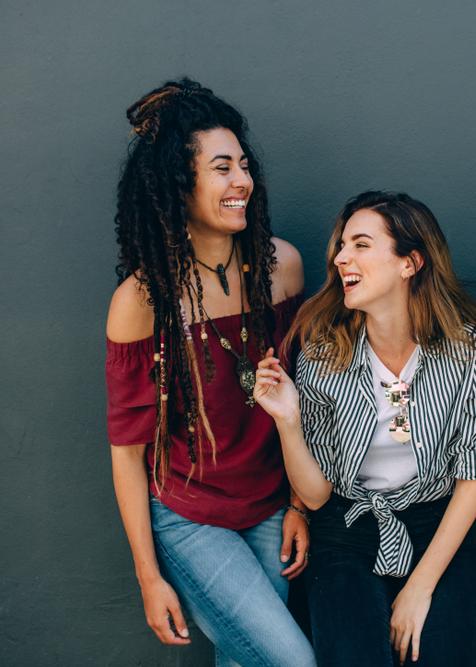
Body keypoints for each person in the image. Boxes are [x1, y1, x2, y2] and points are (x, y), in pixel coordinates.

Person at [105, 78, 315, 667]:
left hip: (271, 504)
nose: (242, 181)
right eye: (222, 168)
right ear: (179, 184)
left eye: (244, 165)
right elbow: (127, 453)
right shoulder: (142, 300)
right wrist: (149, 576)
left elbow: (306, 402)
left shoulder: (283, 269)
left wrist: (298, 504)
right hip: (190, 515)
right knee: (291, 661)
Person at [253, 191, 476, 667]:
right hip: (346, 532)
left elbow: (474, 478)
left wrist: (420, 588)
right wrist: (288, 422)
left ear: (410, 263)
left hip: (436, 528)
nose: (340, 257)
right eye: (341, 246)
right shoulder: (324, 354)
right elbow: (319, 494)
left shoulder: (469, 352)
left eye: (360, 244)